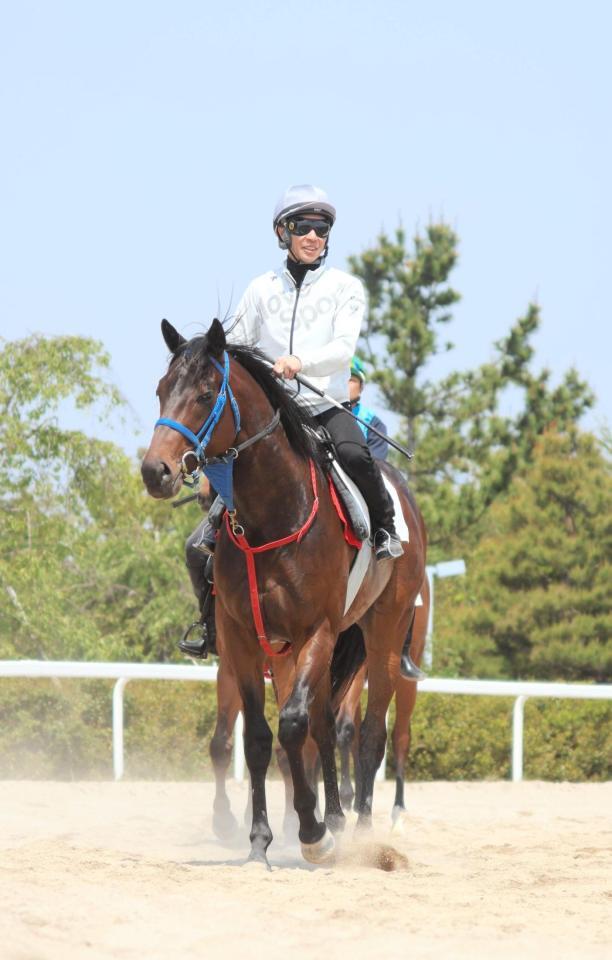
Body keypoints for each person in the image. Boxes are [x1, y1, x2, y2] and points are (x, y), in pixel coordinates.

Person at [179, 184, 403, 659]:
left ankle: (382, 528)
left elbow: (344, 349)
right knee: (200, 539)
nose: (314, 235)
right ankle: (210, 623)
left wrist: (300, 362)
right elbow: (232, 344)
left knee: (353, 453)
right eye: (304, 227)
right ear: (283, 232)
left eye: (323, 228)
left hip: (325, 407)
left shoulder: (347, 288)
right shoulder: (261, 289)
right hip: (274, 417)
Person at [348, 356, 389, 460]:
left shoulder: (374, 424)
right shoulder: (318, 412)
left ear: (361, 387)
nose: (345, 383)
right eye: (341, 378)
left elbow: (375, 466)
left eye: (351, 380)